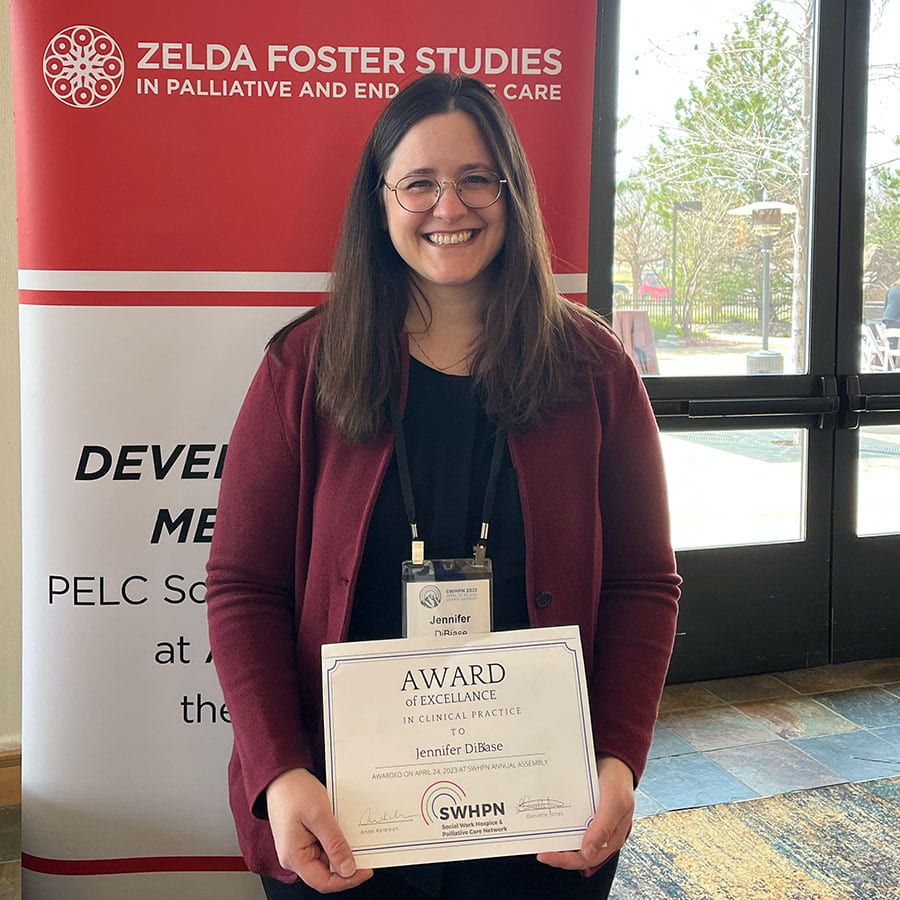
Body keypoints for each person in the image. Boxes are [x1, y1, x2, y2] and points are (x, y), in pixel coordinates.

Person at [205, 73, 681, 899]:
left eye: (475, 179)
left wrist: (617, 758)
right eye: (419, 182)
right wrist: (280, 771)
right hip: (341, 819)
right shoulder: (302, 368)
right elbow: (241, 586)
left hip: (543, 817)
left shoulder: (595, 369)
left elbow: (645, 584)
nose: (448, 207)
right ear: (380, 200)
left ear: (512, 192)